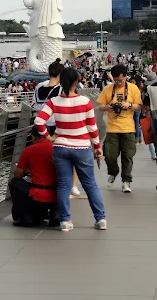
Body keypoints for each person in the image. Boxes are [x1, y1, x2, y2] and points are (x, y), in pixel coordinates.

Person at [34, 67, 106, 232]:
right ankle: (100, 218)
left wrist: (48, 137)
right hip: (81, 148)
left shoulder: (54, 102)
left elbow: (39, 121)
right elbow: (92, 128)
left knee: (64, 185)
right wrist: (97, 147)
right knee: (90, 184)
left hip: (61, 148)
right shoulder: (85, 102)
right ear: (76, 82)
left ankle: (65, 221)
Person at [33, 59, 81, 196]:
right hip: (58, 126)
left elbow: (35, 106)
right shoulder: (61, 89)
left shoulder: (38, 87)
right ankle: (72, 186)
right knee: (70, 157)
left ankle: (47, 183)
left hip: (41, 126)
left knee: (46, 158)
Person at [97, 64, 143, 193]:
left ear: (126, 77)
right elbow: (100, 106)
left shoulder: (133, 89)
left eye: (121, 80)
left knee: (128, 156)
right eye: (116, 80)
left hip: (128, 128)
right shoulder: (107, 89)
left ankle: (126, 181)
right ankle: (113, 171)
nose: (118, 83)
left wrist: (128, 105)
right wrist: (109, 107)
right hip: (112, 128)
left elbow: (139, 106)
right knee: (109, 155)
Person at [9, 127, 59, 227]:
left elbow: (17, 174)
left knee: (14, 183)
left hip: (37, 195)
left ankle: (25, 217)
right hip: (57, 195)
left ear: (33, 137)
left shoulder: (29, 150)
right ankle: (55, 215)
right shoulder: (57, 148)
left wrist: (26, 171)